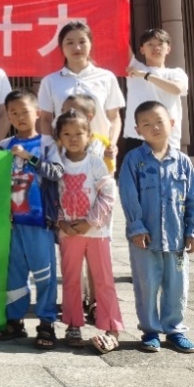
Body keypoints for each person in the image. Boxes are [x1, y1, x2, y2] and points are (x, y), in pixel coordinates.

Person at [119, 100, 194, 354]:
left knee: (177, 286)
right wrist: (136, 227)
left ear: (172, 123)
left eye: (159, 122)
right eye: (146, 124)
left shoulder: (183, 162)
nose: (154, 127)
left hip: (176, 238)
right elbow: (129, 195)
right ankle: (150, 330)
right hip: (145, 239)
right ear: (137, 130)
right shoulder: (134, 160)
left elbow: (193, 198)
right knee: (147, 285)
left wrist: (192, 230)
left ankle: (174, 330)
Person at [0, 90, 63, 350]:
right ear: (8, 117)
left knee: (45, 274)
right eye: (14, 113)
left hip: (39, 222)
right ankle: (14, 321)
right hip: (11, 224)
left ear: (37, 113)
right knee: (14, 274)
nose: (20, 117)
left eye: (25, 111)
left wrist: (29, 158)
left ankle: (46, 323)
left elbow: (57, 172)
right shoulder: (3, 146)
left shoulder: (47, 144)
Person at [55, 109, 124, 353]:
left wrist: (90, 222)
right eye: (67, 134)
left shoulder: (95, 162)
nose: (73, 138)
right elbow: (53, 197)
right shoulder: (58, 165)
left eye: (79, 133)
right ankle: (73, 324)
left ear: (89, 136)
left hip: (96, 233)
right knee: (71, 279)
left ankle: (111, 328)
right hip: (69, 234)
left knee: (103, 280)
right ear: (59, 138)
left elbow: (108, 194)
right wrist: (62, 223)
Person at [38, 21, 124, 163]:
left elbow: (114, 117)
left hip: (100, 153)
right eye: (69, 43)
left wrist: (112, 143)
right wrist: (51, 147)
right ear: (61, 47)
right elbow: (45, 119)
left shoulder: (106, 77)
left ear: (90, 44)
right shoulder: (50, 81)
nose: (76, 47)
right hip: (63, 155)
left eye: (82, 42)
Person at [124, 29, 188, 152]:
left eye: (160, 44)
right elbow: (120, 42)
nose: (156, 48)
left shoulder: (176, 73)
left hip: (167, 138)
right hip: (137, 136)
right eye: (150, 44)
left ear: (168, 49)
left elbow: (177, 89)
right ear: (142, 49)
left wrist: (146, 75)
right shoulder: (134, 68)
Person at [61, 95, 113, 174]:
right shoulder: (59, 141)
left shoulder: (101, 142)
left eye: (71, 113)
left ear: (89, 117)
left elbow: (109, 170)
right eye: (63, 111)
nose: (64, 117)